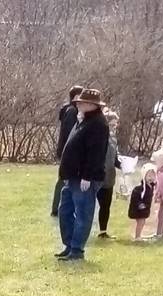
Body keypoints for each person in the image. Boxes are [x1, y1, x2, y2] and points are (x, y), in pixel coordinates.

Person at [54, 88, 110, 261]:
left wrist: (87, 176)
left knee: (83, 214)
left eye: (82, 102)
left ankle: (77, 250)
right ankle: (69, 245)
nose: (78, 104)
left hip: (84, 178)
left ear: (92, 105)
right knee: (65, 211)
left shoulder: (98, 124)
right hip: (72, 176)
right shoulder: (83, 120)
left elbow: (96, 153)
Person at [51, 85, 85, 217]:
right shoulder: (71, 111)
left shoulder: (71, 110)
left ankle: (60, 207)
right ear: (76, 97)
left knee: (64, 178)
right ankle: (57, 208)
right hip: (67, 150)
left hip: (66, 150)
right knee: (63, 179)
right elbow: (69, 133)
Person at [96, 110, 121, 239]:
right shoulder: (97, 137)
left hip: (109, 177)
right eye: (111, 125)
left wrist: (123, 165)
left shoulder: (113, 139)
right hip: (97, 176)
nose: (113, 127)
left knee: (106, 206)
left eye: (115, 125)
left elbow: (114, 158)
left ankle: (103, 231)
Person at [128, 165, 156, 241]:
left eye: (153, 175)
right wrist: (140, 204)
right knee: (141, 222)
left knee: (142, 222)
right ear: (144, 176)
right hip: (138, 209)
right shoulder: (140, 188)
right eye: (149, 176)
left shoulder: (151, 186)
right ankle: (137, 237)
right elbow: (135, 197)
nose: (151, 178)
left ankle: (138, 235)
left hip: (144, 209)